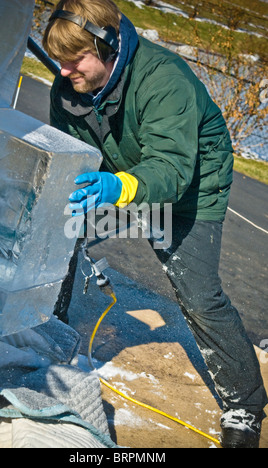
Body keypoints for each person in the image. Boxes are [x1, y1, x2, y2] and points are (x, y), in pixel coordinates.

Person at [43, 0, 267, 448]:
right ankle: (52, 329)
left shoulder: (163, 80)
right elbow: (68, 150)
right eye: (59, 61)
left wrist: (115, 189)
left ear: (108, 49)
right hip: (120, 177)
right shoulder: (70, 86)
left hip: (188, 189)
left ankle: (244, 402)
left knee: (198, 293)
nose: (64, 71)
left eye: (75, 60)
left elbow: (171, 170)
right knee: (59, 230)